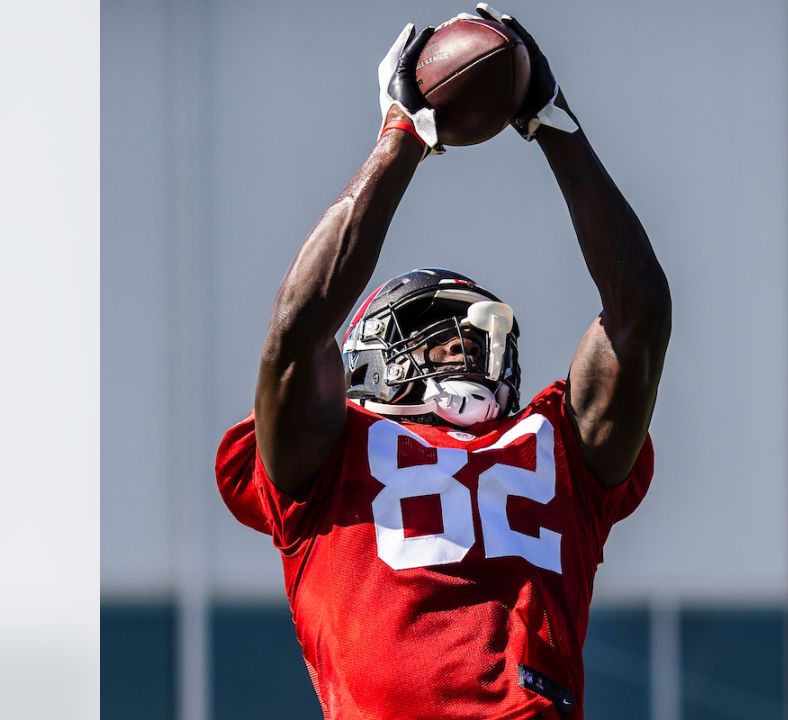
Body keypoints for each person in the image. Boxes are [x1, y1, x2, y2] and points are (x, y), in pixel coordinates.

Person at [214, 6, 671, 718]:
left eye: (476, 333)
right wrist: (401, 135)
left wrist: (556, 124)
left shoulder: (557, 447)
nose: (464, 344)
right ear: (368, 354)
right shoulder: (329, 452)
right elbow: (296, 334)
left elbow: (639, 319)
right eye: (434, 330)